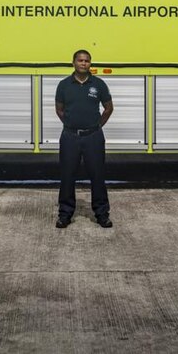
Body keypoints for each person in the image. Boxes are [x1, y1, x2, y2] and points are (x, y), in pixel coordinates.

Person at [55, 49, 114, 229]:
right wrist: (71, 125)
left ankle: (102, 214)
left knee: (97, 176)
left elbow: (108, 108)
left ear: (90, 64)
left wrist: (96, 126)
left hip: (93, 137)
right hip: (70, 137)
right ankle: (65, 214)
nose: (83, 63)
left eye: (87, 61)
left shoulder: (99, 84)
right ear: (73, 62)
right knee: (67, 176)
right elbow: (59, 109)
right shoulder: (64, 85)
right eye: (80, 60)